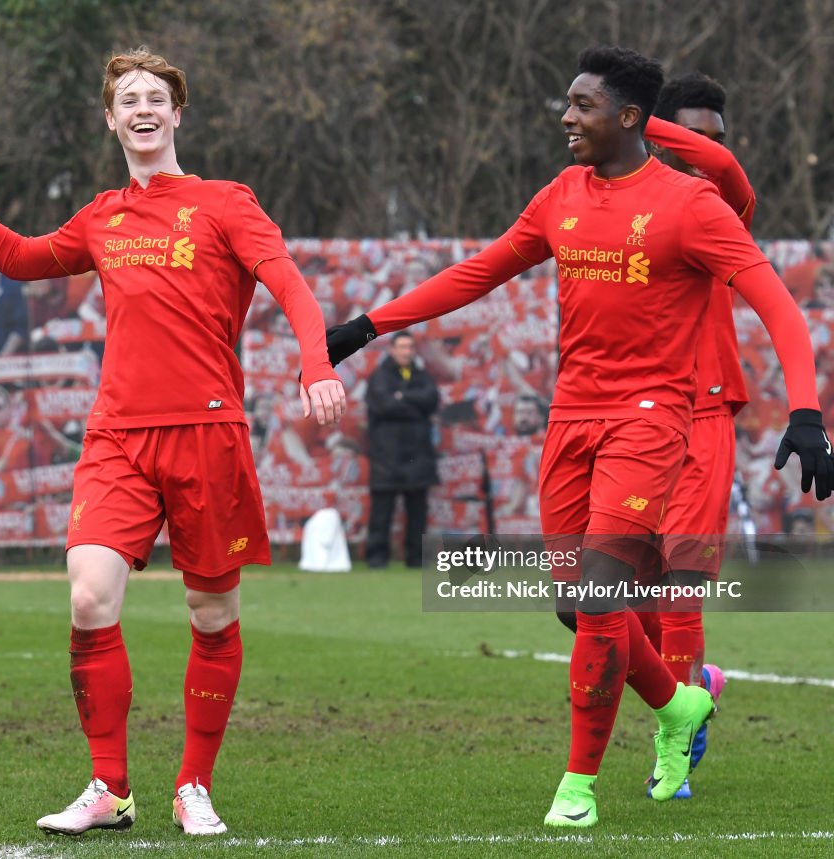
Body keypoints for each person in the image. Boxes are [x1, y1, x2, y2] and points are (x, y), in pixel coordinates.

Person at [325, 46, 833, 828]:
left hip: (652, 420)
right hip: (572, 421)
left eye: (582, 104)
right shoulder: (561, 193)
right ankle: (678, 705)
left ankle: (577, 786)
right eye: (568, 102)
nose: (566, 116)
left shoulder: (694, 205)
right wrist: (367, 325)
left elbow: (777, 304)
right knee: (574, 603)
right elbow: (482, 268)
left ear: (629, 118)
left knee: (611, 593)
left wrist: (806, 413)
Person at [0, 47, 345, 837]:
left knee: (211, 616)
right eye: (128, 99)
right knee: (88, 595)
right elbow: (20, 257)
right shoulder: (102, 215)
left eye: (156, 98)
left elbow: (291, 285)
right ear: (111, 120)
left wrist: (317, 365)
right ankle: (110, 786)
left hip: (208, 433)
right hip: (117, 437)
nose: (142, 108)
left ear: (177, 115)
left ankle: (193, 785)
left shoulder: (225, 202)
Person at [637, 72, 756, 798]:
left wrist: (640, 125)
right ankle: (695, 686)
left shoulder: (721, 208)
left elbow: (725, 172)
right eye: (690, 137)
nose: (702, 154)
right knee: (614, 599)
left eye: (714, 139)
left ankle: (670, 746)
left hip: (704, 413)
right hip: (626, 415)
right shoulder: (621, 208)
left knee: (680, 585)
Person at [363, 331, 440, 568]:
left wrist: (402, 397)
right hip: (387, 456)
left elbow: (432, 399)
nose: (407, 351)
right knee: (381, 512)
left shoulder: (422, 375)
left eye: (410, 347)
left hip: (418, 455)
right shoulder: (379, 377)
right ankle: (377, 559)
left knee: (418, 512)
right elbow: (384, 405)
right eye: (402, 347)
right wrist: (413, 405)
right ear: (392, 350)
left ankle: (416, 558)